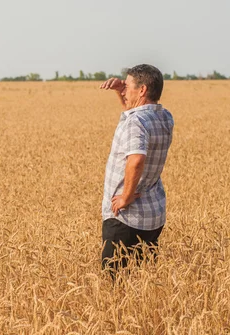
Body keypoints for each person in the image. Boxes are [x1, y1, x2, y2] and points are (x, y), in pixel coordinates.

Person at [98, 64, 174, 277]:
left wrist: (125, 197)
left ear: (142, 90)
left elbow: (136, 160)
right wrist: (119, 94)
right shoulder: (164, 116)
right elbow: (135, 115)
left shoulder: (136, 122)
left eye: (127, 86)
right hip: (152, 215)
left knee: (114, 284)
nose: (124, 89)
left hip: (126, 218)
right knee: (142, 283)